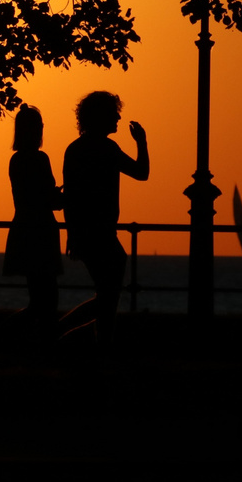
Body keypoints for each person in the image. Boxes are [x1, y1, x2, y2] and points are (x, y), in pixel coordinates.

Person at [60, 91, 149, 345]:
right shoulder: (105, 148)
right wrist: (142, 142)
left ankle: (98, 344)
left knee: (107, 295)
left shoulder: (77, 149)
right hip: (99, 233)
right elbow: (142, 173)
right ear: (100, 116)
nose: (118, 117)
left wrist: (72, 234)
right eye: (113, 112)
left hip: (93, 233)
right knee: (109, 297)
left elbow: (70, 197)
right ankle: (63, 333)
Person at [2, 104, 63, 331]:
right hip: (41, 228)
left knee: (37, 295)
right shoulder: (39, 159)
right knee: (47, 297)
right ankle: (5, 336)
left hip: (23, 226)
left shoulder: (16, 160)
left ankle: (11, 336)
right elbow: (50, 200)